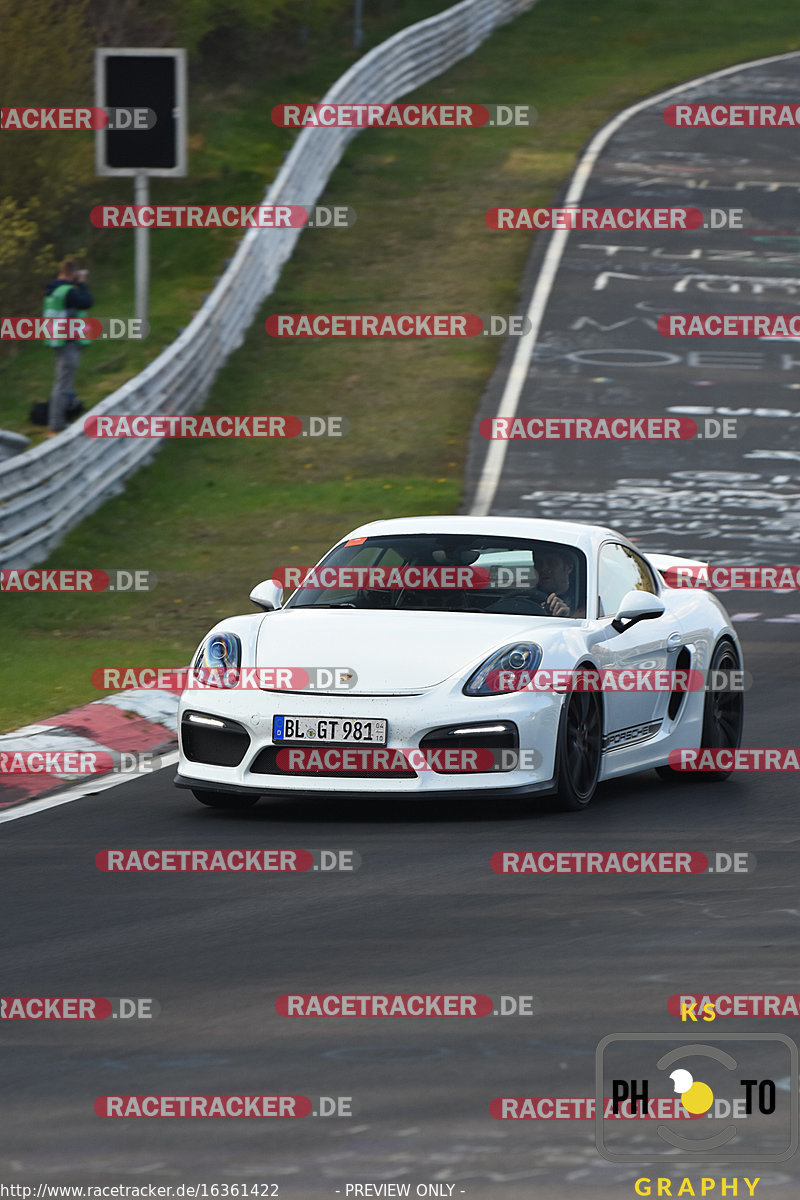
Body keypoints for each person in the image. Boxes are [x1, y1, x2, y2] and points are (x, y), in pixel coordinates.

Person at [43, 259, 93, 436]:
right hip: (68, 340)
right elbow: (87, 302)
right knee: (63, 383)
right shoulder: (67, 291)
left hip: (58, 340)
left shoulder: (53, 289)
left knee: (64, 381)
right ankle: (56, 424)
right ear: (72, 274)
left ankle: (65, 414)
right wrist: (82, 284)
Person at [535, 547, 585, 618]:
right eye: (539, 563)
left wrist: (566, 616)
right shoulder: (527, 599)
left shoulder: (584, 603)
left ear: (569, 567)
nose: (544, 568)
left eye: (551, 562)